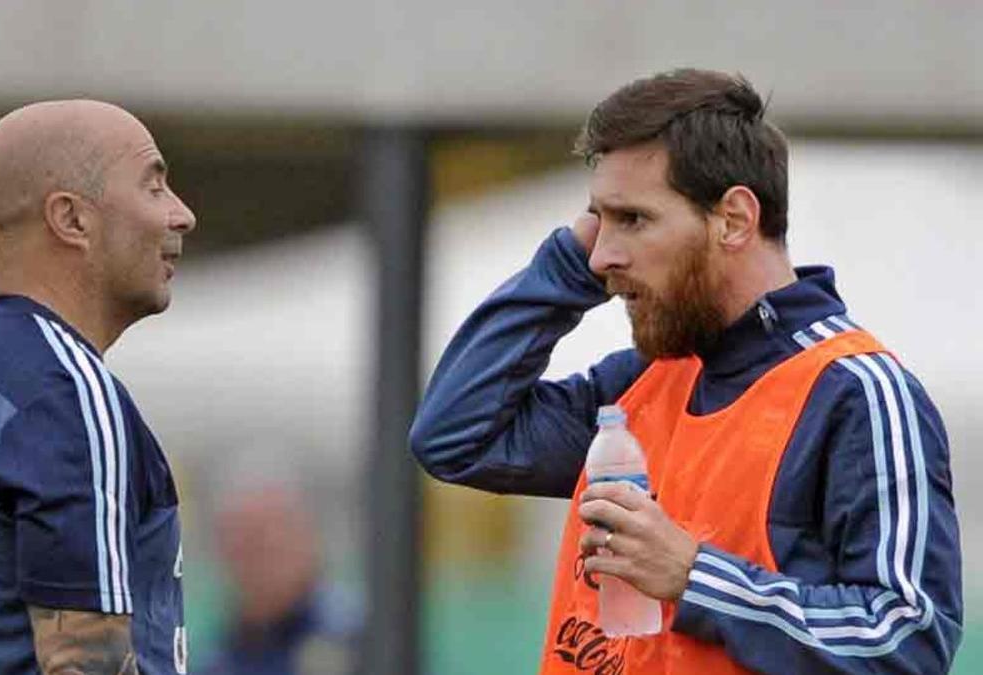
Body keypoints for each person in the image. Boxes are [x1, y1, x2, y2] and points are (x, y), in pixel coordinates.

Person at [409, 69, 962, 674]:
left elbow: (908, 640)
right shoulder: (643, 381)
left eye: (634, 220)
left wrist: (695, 577)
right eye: (599, 220)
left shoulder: (857, 393)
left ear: (733, 220)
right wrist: (565, 266)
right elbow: (455, 437)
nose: (603, 254)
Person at [0, 100, 197, 674]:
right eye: (153, 187)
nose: (181, 216)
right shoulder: (67, 394)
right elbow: (85, 662)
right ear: (72, 220)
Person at [193, 465, 359, 675]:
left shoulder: (354, 640)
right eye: (242, 543)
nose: (257, 562)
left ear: (309, 537)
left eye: (266, 538)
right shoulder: (214, 658)